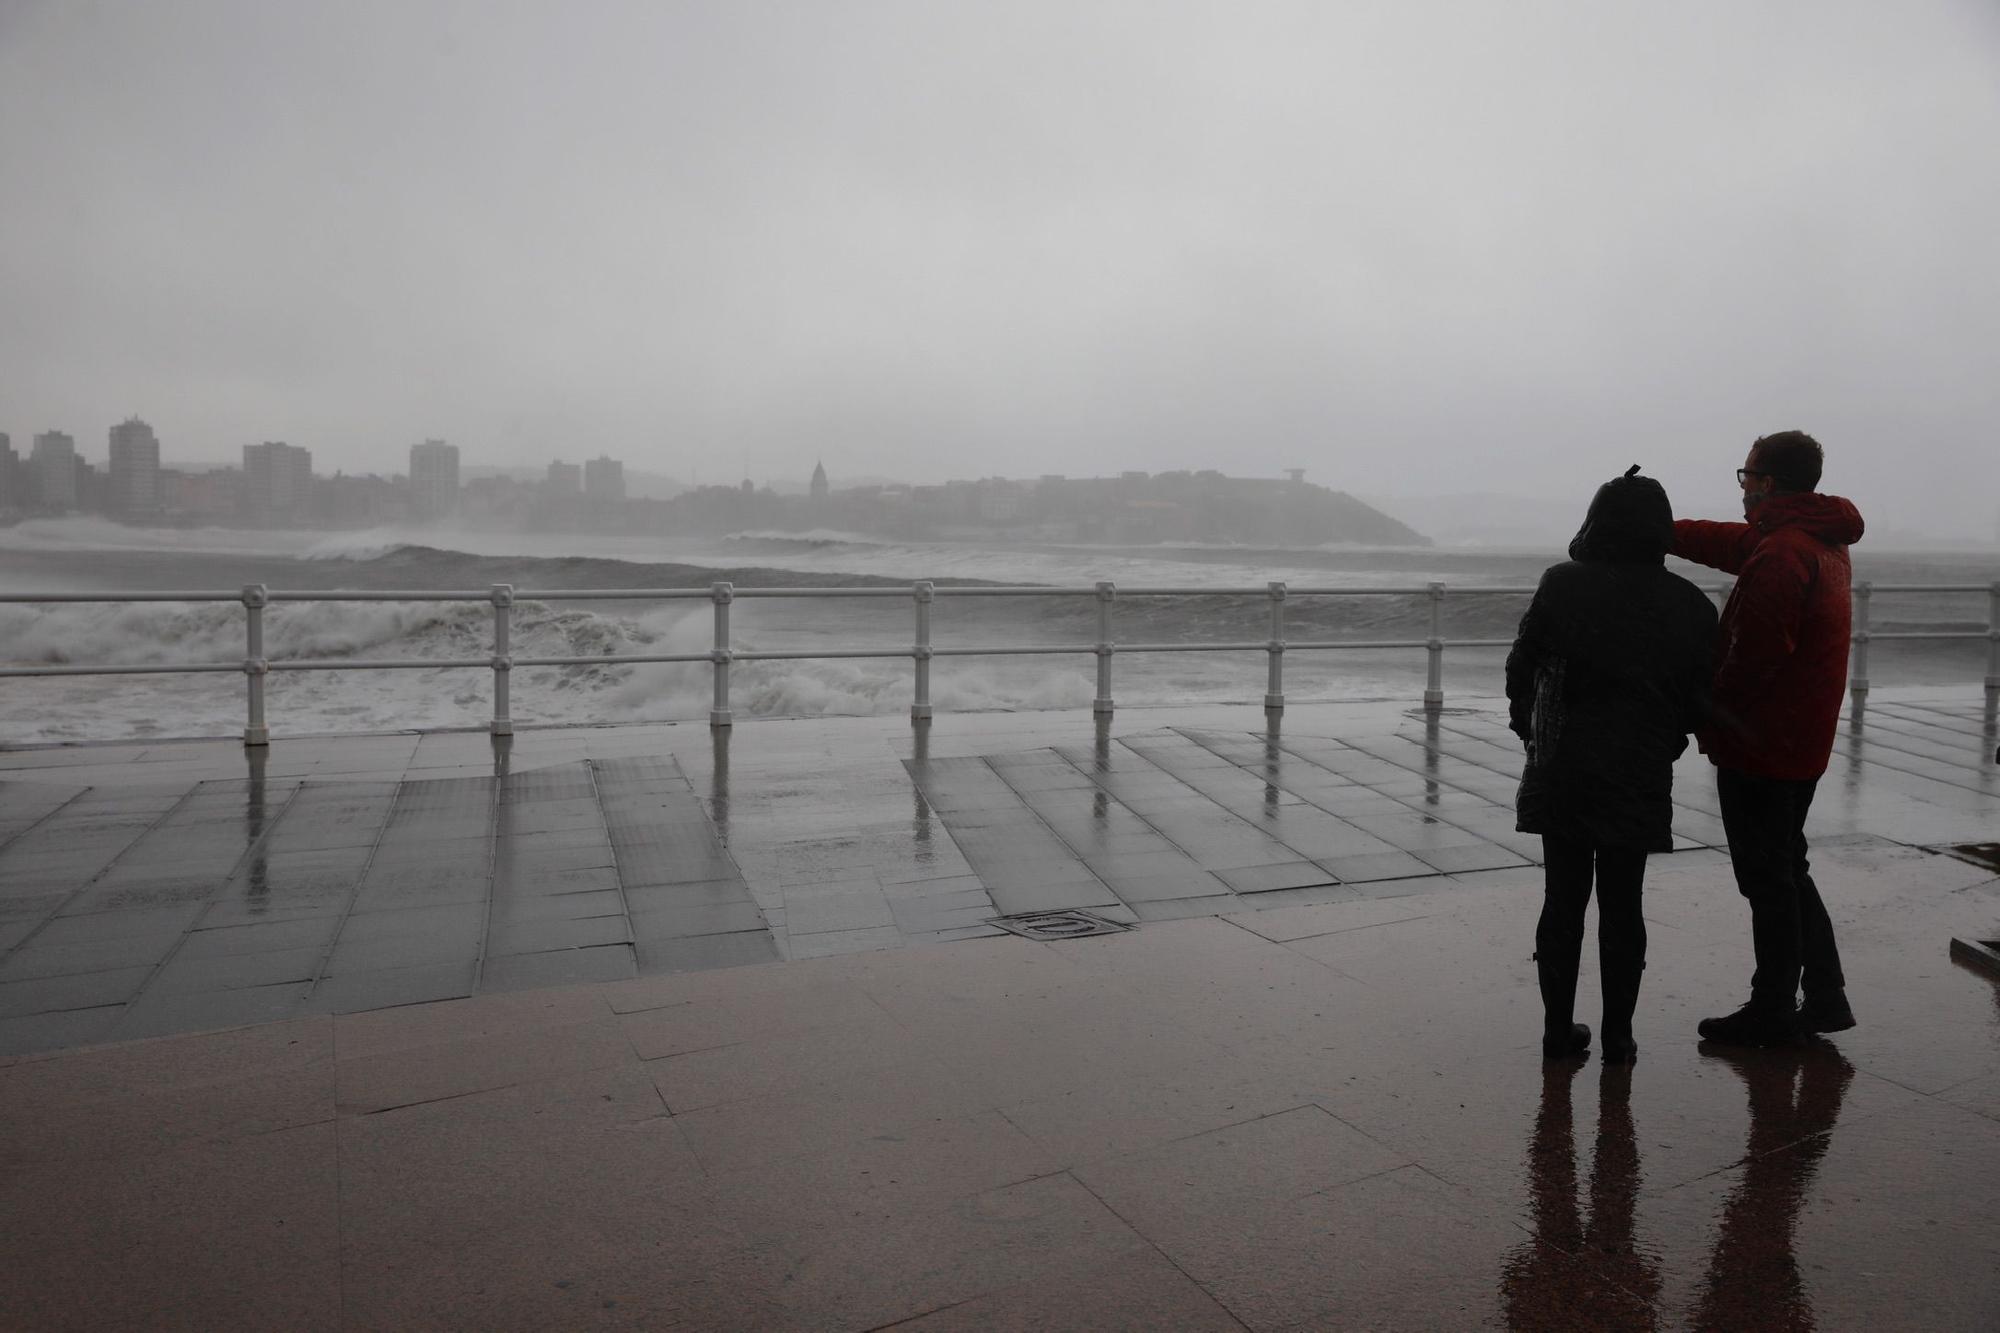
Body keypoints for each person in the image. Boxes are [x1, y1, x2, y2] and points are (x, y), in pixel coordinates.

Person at [1508, 466, 1719, 1062]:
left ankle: (1557, 1031)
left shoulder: (1562, 583)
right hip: (1638, 769)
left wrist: (1533, 732)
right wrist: (1664, 743)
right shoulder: (1690, 603)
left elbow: (1521, 668)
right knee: (1625, 903)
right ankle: (1620, 1035)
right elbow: (1700, 696)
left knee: (1562, 899)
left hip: (1566, 766)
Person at [1672, 430, 1865, 1046]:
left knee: (1768, 879)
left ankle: (1774, 1007)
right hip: (1800, 740)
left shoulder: (1784, 553)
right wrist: (1661, 527)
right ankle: (1826, 996)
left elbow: (1753, 660)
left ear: (1768, 483)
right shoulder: (1813, 539)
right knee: (1786, 866)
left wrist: (1707, 715)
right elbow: (1732, 543)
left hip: (1766, 746)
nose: (1743, 485)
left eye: (1746, 475)